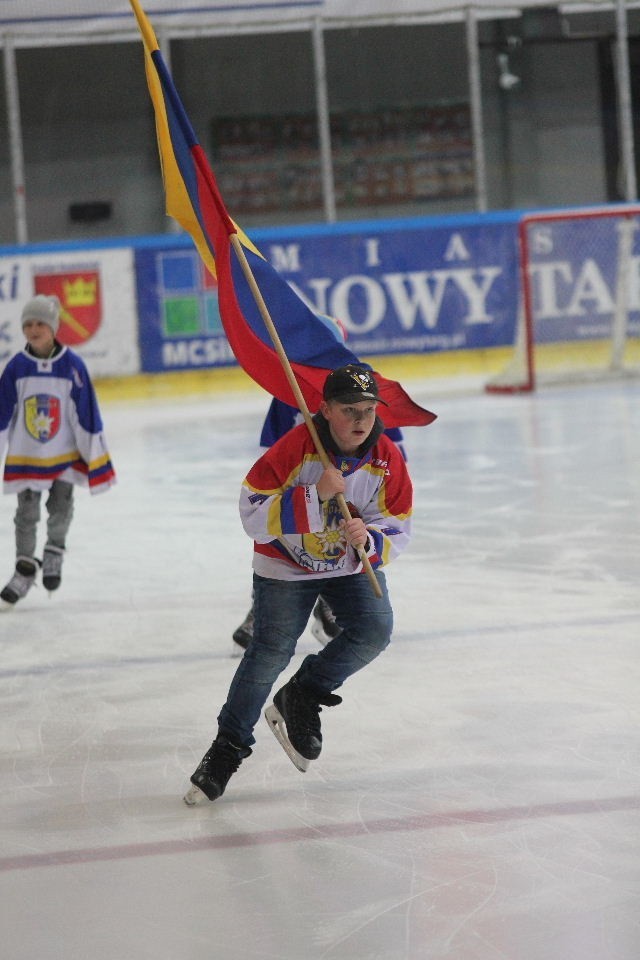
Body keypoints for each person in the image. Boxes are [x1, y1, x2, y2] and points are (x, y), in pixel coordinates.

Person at [185, 363, 414, 804]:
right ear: (325, 409)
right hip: (286, 566)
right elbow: (252, 512)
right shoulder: (296, 448)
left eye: (368, 410)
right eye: (349, 410)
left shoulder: (386, 456)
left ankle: (303, 694)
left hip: (346, 565)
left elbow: (399, 521)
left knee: (375, 629)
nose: (361, 421)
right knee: (268, 655)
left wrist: (371, 538)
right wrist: (315, 496)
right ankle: (227, 748)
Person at [232, 396, 408, 652]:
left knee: (347, 540)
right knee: (284, 550)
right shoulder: (290, 388)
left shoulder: (363, 385)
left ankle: (327, 605)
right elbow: (270, 455)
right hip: (301, 486)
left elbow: (391, 450)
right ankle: (261, 610)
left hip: (352, 487)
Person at [0, 294, 116, 606]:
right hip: (26, 457)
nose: (34, 328)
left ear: (53, 327)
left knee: (60, 508)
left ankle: (54, 551)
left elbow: (86, 415)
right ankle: (24, 569)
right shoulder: (16, 368)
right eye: (28, 323)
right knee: (25, 514)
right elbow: (2, 415)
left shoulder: (73, 366)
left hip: (65, 455)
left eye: (40, 323)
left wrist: (94, 458)